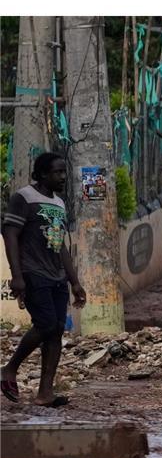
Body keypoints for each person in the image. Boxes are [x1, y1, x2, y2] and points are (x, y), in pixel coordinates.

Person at [2, 153, 87, 407]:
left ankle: (45, 392)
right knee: (46, 324)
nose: (62, 177)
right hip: (33, 273)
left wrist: (75, 282)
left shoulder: (59, 204)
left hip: (57, 276)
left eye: (64, 172)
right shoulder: (23, 198)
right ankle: (9, 369)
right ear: (41, 174)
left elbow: (60, 246)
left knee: (56, 331)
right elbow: (10, 235)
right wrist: (16, 275)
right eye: (57, 172)